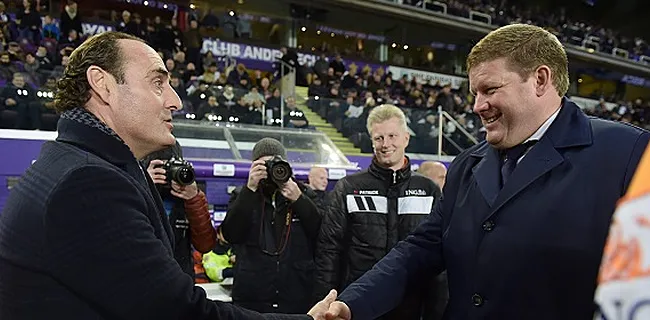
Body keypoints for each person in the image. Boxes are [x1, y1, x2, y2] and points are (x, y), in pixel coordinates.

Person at [321, 24, 650, 320]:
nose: (477, 105)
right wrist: (352, 304)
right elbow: (420, 250)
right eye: (474, 93)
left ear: (540, 80)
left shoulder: (626, 153)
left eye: (490, 89)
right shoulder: (467, 164)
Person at [0, 31, 334, 319]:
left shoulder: (78, 162)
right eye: (158, 83)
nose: (175, 100)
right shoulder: (87, 183)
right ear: (102, 85)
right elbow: (177, 312)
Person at [314, 104, 443, 320]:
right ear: (371, 141)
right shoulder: (348, 187)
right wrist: (323, 304)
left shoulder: (429, 189)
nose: (386, 144)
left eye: (392, 136)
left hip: (412, 306)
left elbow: (440, 257)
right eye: (378, 138)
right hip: (358, 306)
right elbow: (329, 251)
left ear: (406, 138)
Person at [220, 138, 322, 314]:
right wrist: (250, 189)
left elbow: (320, 232)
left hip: (297, 294)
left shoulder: (303, 193)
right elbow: (231, 234)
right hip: (251, 297)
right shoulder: (243, 195)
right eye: (263, 165)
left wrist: (299, 200)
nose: (270, 169)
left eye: (274, 163)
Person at [142, 141, 217, 278]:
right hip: (146, 276)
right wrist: (142, 185)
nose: (168, 173)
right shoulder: (136, 187)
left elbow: (205, 245)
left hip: (181, 278)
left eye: (171, 167)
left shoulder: (189, 197)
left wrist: (194, 200)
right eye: (162, 167)